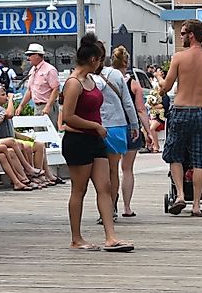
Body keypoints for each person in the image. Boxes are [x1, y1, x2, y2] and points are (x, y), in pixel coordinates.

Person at [60, 33, 133, 252]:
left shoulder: (92, 80)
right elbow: (68, 116)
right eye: (100, 59)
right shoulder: (73, 83)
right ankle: (76, 238)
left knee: (105, 186)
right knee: (79, 189)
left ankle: (110, 236)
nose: (101, 64)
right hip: (79, 140)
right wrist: (95, 126)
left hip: (96, 140)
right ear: (93, 59)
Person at [160, 21, 202, 215]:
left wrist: (159, 80)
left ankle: (180, 195)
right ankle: (196, 205)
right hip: (200, 112)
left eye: (183, 33)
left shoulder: (179, 57)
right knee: (200, 160)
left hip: (180, 110)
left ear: (192, 35)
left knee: (175, 155)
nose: (181, 37)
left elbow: (166, 87)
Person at [96, 44, 134, 222]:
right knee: (113, 170)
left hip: (94, 126)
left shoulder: (86, 76)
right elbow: (128, 102)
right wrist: (134, 125)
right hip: (117, 125)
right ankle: (111, 206)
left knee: (98, 172)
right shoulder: (117, 75)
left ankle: (104, 207)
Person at [112, 47, 147, 217]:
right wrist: (147, 131)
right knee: (127, 169)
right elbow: (140, 109)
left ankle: (110, 205)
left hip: (112, 127)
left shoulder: (104, 79)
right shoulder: (133, 83)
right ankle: (127, 207)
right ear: (127, 63)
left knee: (111, 169)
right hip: (130, 128)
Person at [18, 43, 60, 121]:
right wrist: (21, 106)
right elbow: (30, 91)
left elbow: (56, 89)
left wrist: (48, 106)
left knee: (49, 131)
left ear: (37, 55)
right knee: (38, 131)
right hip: (37, 107)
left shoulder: (50, 70)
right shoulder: (32, 70)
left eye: (30, 55)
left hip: (48, 106)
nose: (28, 58)